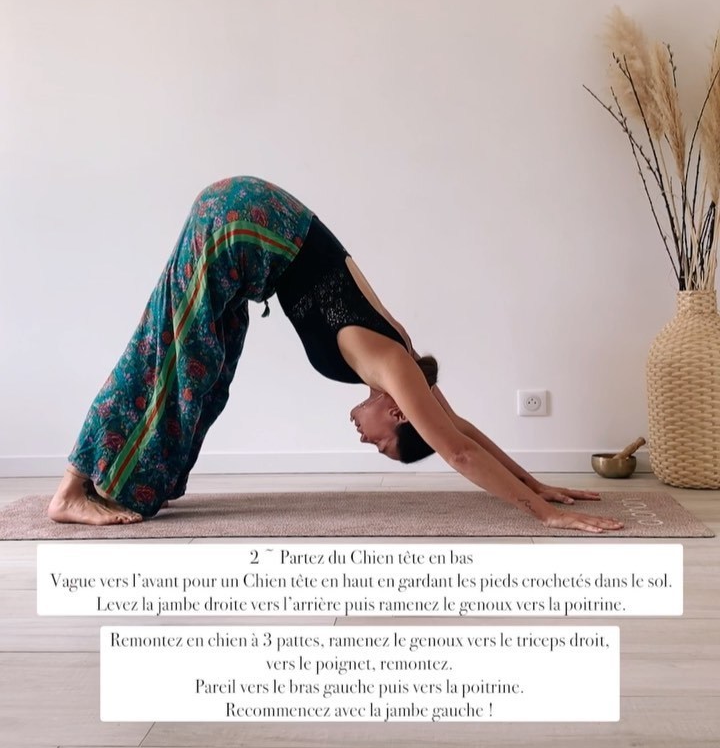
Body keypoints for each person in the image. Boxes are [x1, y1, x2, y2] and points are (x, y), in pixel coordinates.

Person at [49, 176, 623, 534]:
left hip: (253, 221)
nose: (367, 442)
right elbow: (459, 451)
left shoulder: (399, 365)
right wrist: (544, 514)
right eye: (383, 444)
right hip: (249, 224)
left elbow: (460, 428)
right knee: (164, 356)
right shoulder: (393, 367)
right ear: (398, 413)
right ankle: (70, 490)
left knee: (205, 375)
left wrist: (536, 482)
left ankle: (138, 485)